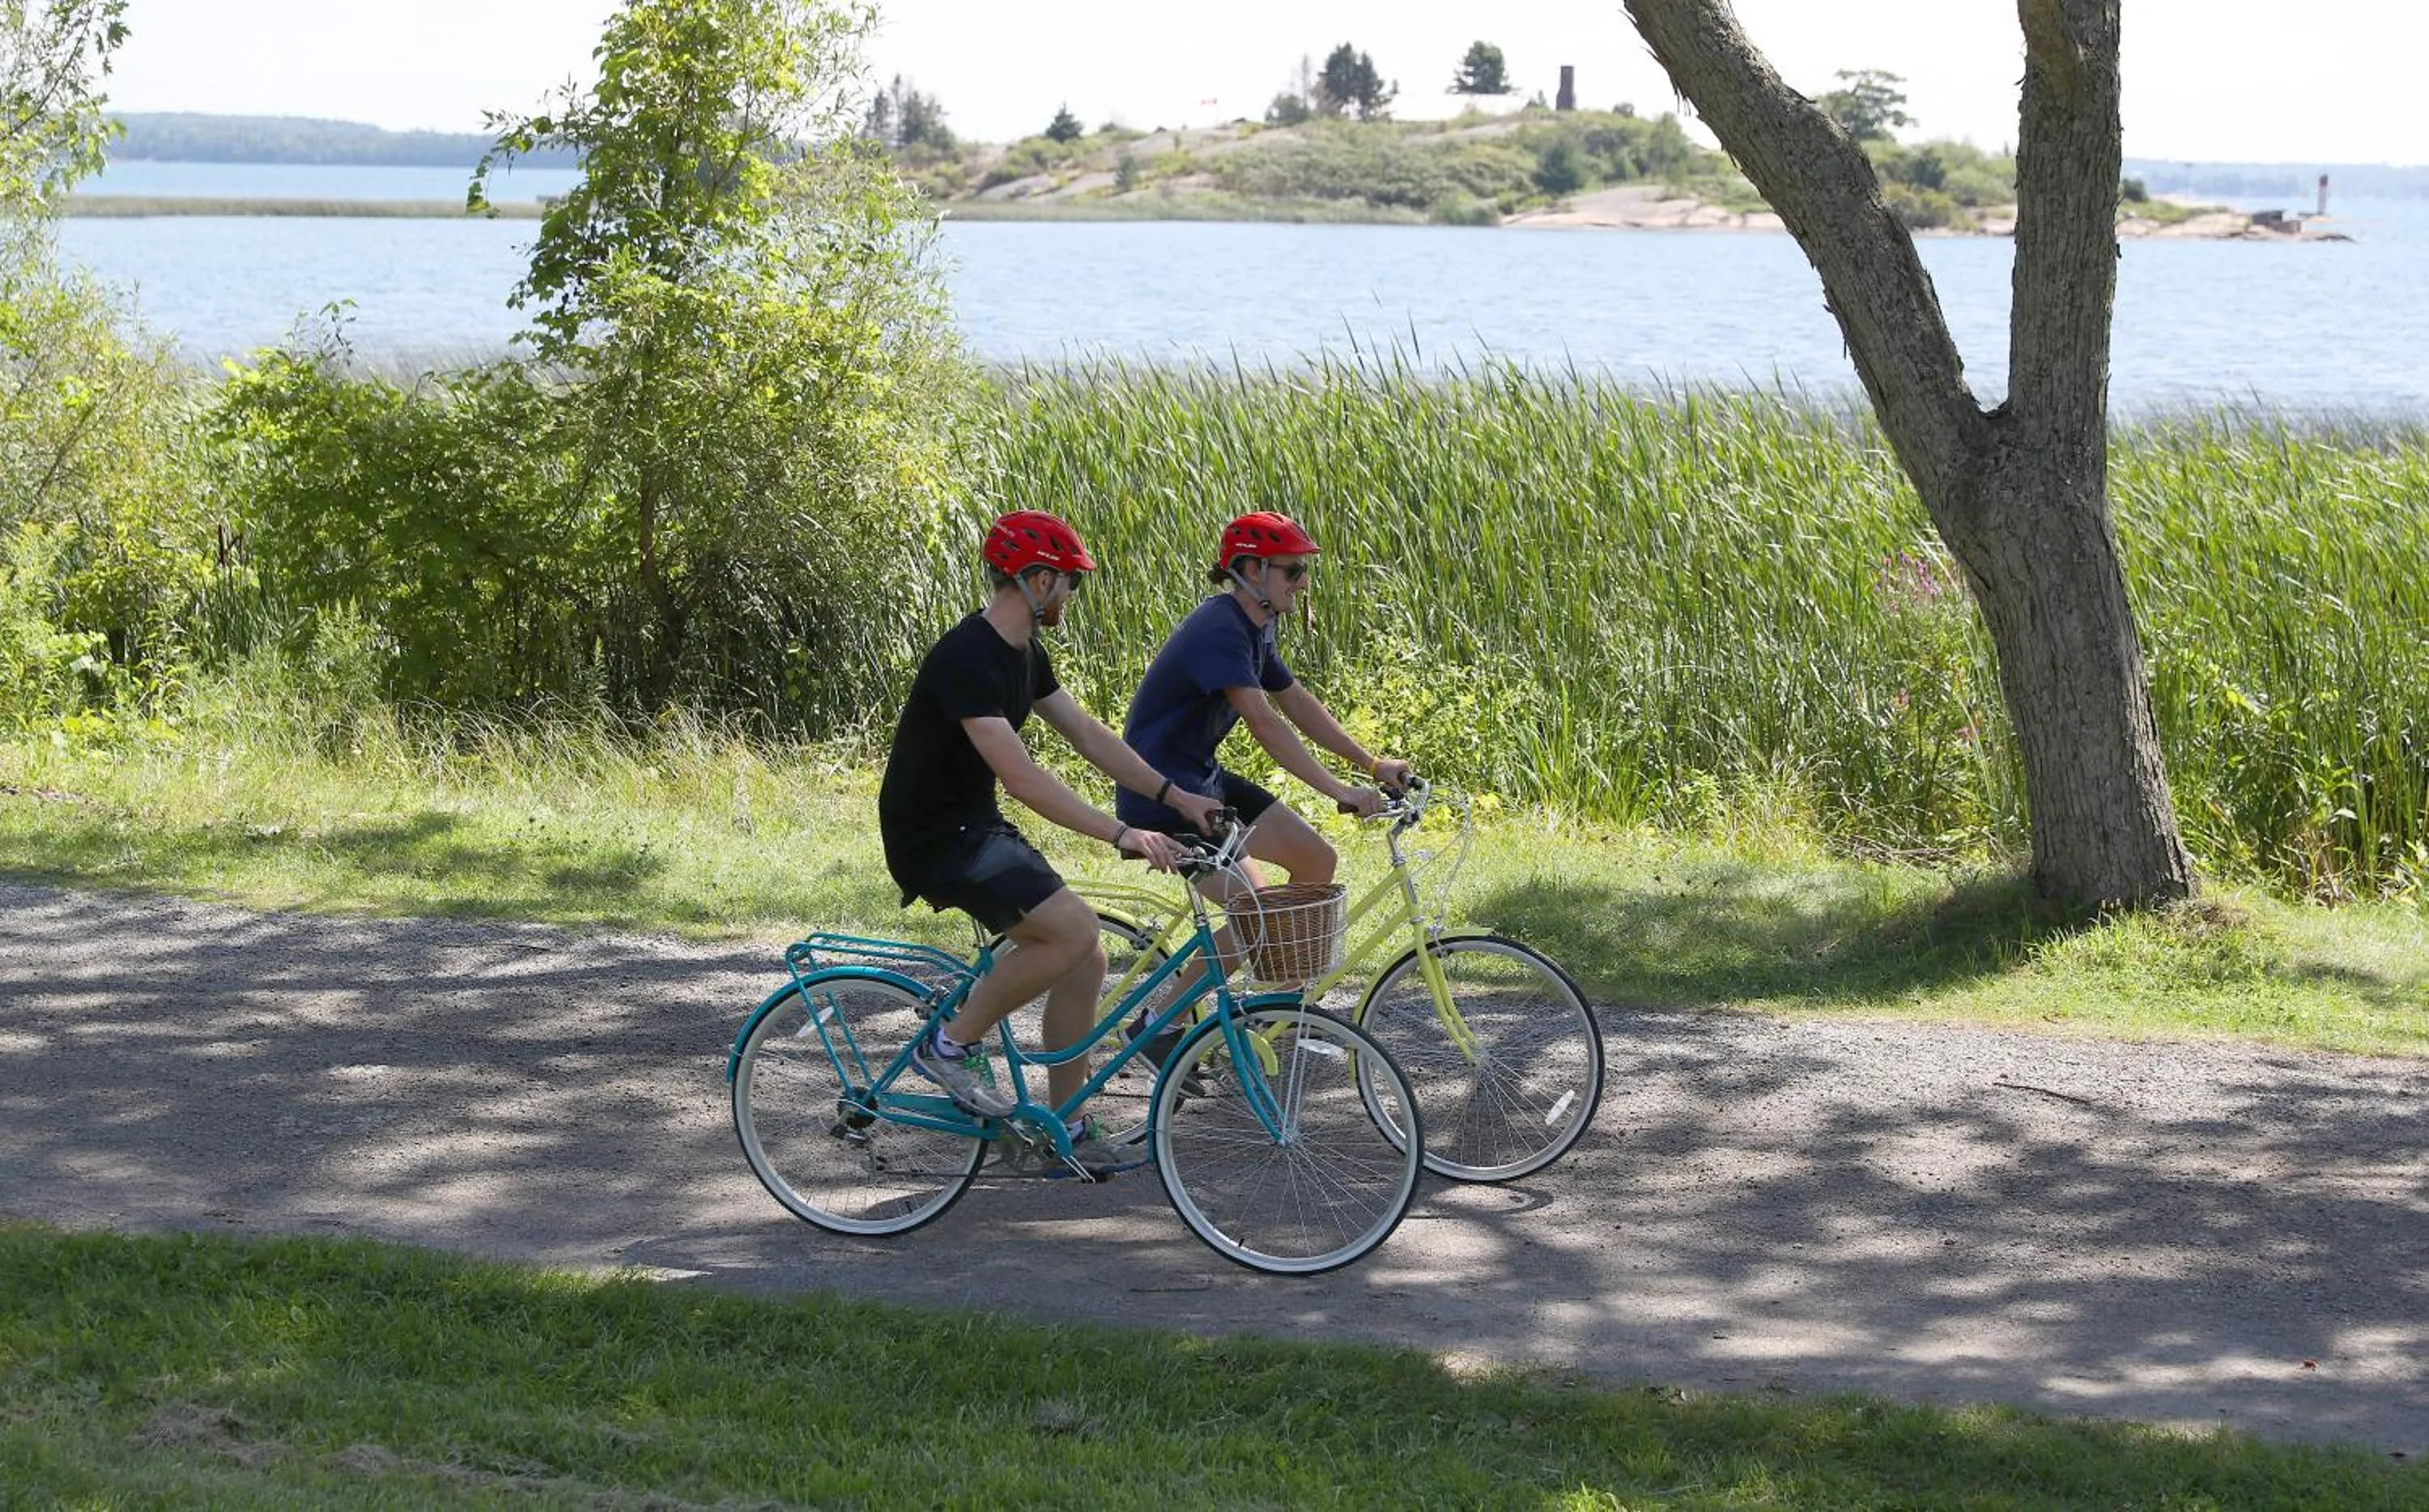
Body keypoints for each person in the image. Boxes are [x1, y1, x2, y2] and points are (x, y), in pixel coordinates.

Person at [878, 511, 1223, 1175]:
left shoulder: (1025, 654)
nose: (1071, 596)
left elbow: (1088, 736)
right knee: (1070, 931)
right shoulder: (967, 656)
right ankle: (947, 1047)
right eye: (1069, 583)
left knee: (1084, 958)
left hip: (972, 825)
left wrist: (1174, 797)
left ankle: (1066, 1129)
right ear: (1037, 581)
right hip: (933, 838)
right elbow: (1022, 776)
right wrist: (1123, 832)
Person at [1113, 511, 1413, 1052]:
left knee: (1315, 859)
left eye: (1303, 571)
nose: (1303, 582)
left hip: (1203, 780)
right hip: (1162, 795)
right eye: (1292, 571)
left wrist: (1371, 765)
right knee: (1253, 909)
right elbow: (1265, 724)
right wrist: (1340, 791)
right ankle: (1160, 1025)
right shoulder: (1221, 628)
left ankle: (1289, 1014)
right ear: (1251, 570)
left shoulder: (1257, 623)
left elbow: (1295, 702)